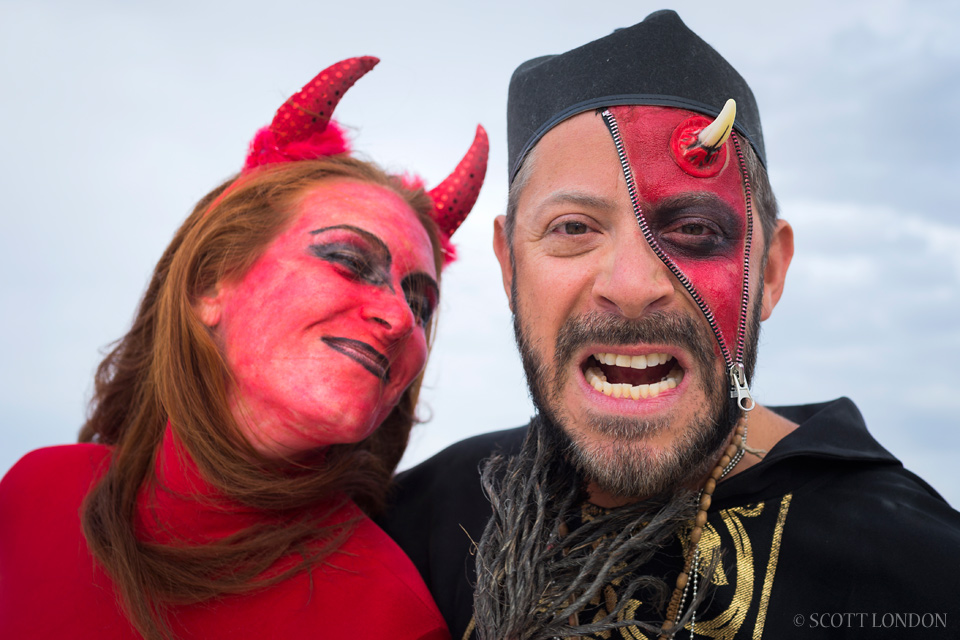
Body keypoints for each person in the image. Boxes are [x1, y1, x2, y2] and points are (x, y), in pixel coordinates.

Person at [379, 11, 960, 640]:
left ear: (769, 271)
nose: (631, 287)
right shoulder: (423, 526)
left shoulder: (917, 570)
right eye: (573, 228)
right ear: (509, 265)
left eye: (695, 231)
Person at [0, 56, 487, 640]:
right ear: (210, 283)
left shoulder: (391, 616)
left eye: (422, 303)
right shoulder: (34, 495)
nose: (401, 318)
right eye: (351, 261)